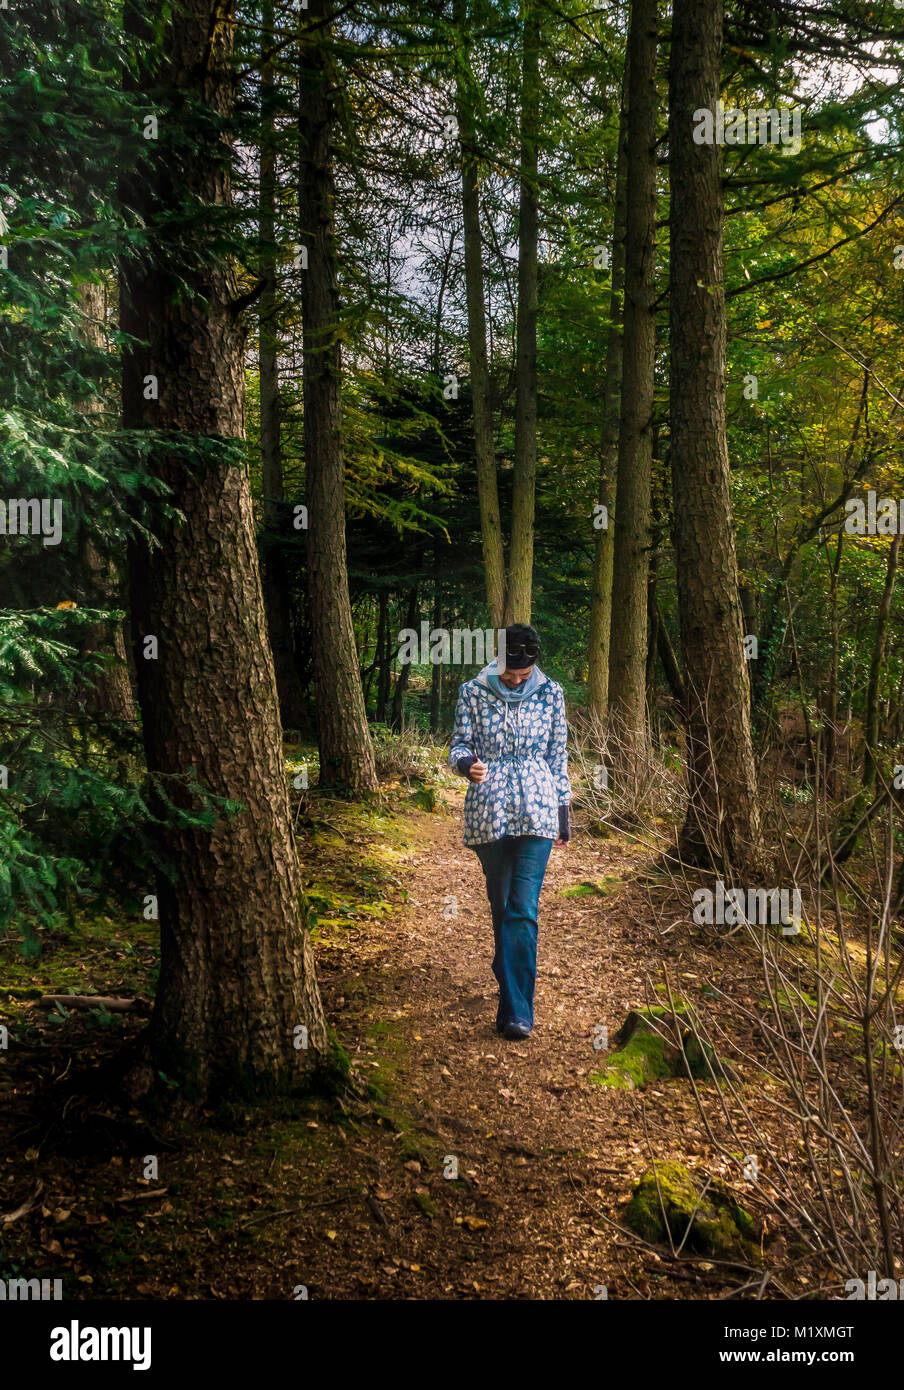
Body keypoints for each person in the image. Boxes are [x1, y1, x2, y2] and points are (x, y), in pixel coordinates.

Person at [449, 623, 572, 1040]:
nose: (517, 680)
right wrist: (468, 765)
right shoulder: (472, 690)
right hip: (490, 812)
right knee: (502, 908)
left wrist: (563, 811)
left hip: (537, 810)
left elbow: (558, 754)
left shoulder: (551, 692)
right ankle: (508, 984)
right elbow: (458, 745)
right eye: (510, 674)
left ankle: (520, 1010)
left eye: (524, 674)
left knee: (523, 910)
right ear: (497, 661)